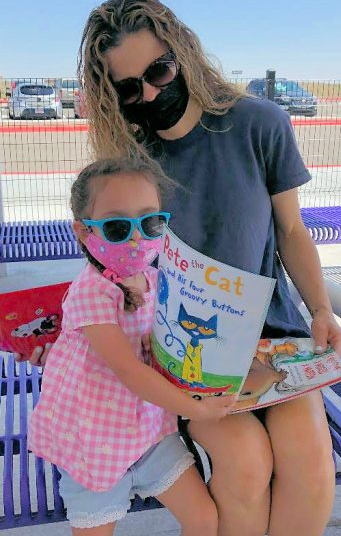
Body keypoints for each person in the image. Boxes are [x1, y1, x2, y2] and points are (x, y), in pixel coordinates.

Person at [78, 1, 341, 534]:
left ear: (182, 54)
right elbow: (110, 267)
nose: (151, 94)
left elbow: (291, 232)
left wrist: (321, 309)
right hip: (183, 354)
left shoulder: (259, 125)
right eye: (131, 89)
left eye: (158, 72)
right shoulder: (131, 166)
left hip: (273, 337)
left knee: (308, 458)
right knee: (246, 459)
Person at [27, 157, 234, 535]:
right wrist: (194, 410)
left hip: (149, 434)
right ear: (83, 232)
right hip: (93, 440)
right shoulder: (92, 291)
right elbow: (127, 369)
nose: (138, 238)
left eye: (150, 222)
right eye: (118, 226)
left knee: (204, 519)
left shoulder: (155, 280)